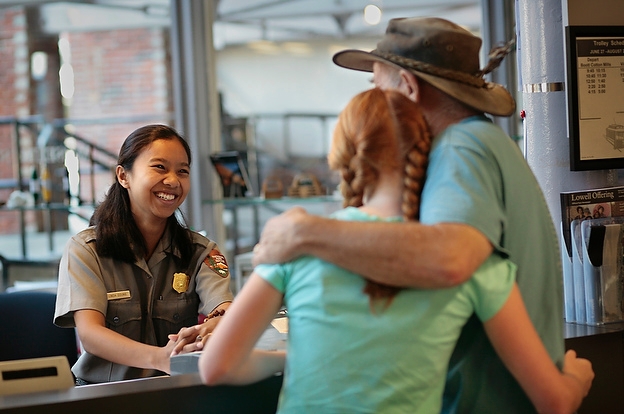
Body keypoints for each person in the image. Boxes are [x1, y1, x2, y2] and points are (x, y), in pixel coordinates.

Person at [251, 17, 585, 413]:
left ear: (407, 88)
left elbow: (450, 259)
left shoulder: (460, 148)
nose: (374, 98)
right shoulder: (487, 141)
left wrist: (304, 233)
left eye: (378, 86)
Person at [54, 124, 233, 384]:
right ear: (123, 176)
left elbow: (223, 306)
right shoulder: (86, 250)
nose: (173, 181)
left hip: (176, 391)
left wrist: (216, 323)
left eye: (182, 171)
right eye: (160, 167)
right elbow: (91, 335)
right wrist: (160, 358)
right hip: (103, 392)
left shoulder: (201, 251)